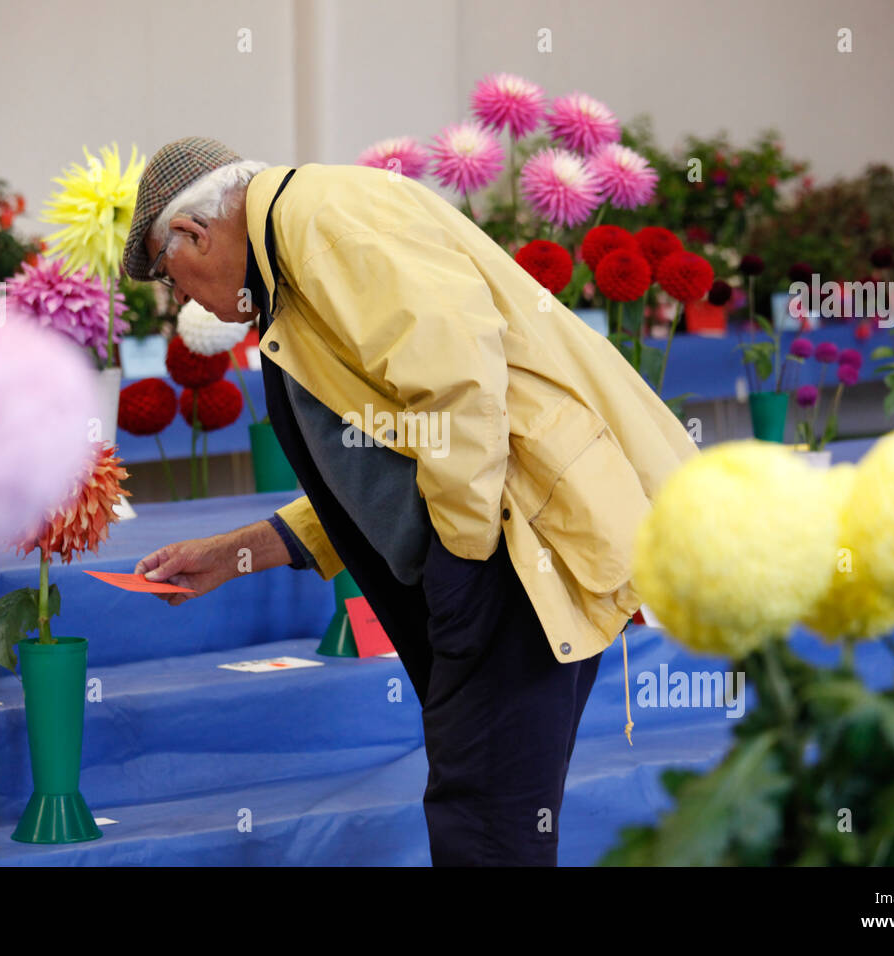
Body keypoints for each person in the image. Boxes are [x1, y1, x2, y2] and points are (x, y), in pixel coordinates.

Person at [124, 137, 697, 865]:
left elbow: (458, 384)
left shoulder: (321, 221)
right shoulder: (295, 244)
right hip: (499, 546)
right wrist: (240, 552)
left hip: (508, 557)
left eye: (174, 279)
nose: (183, 301)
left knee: (485, 829)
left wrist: (462, 563)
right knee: (495, 817)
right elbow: (384, 459)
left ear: (195, 233)